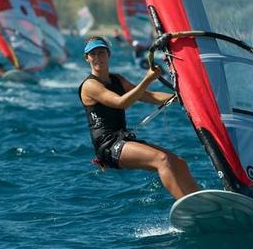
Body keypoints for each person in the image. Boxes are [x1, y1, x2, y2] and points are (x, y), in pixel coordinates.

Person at [78, 36, 200, 200]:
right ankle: (189, 207)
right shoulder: (90, 85)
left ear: (109, 55)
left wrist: (185, 98)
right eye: (93, 54)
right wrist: (147, 79)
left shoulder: (117, 79)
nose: (98, 57)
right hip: (108, 146)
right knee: (162, 160)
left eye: (101, 52)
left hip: (122, 140)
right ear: (87, 58)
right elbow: (122, 103)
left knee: (179, 163)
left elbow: (149, 96)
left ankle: (201, 201)